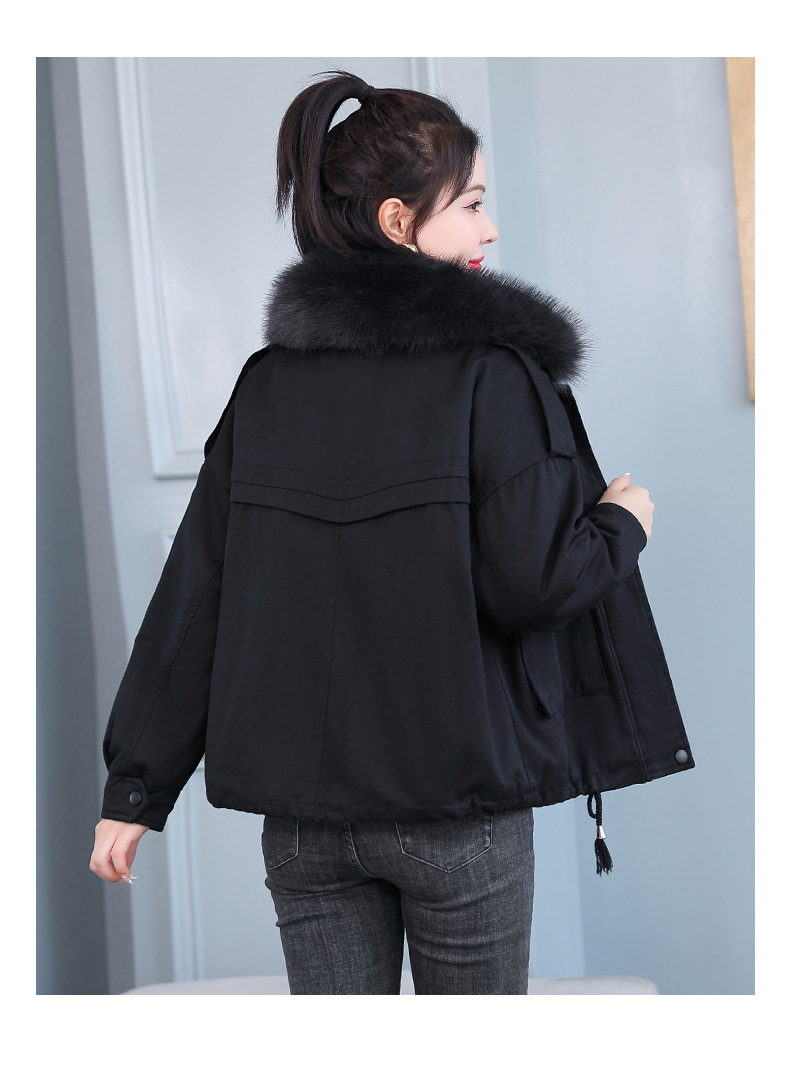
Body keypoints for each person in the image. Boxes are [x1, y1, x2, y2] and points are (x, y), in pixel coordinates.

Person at [90, 70, 694, 995]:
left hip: (304, 830)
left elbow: (197, 591)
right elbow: (536, 582)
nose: (491, 230)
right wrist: (621, 522)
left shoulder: (268, 384)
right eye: (473, 205)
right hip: (457, 811)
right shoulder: (495, 377)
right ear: (399, 222)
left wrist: (135, 788)